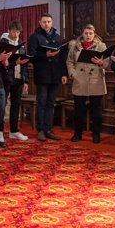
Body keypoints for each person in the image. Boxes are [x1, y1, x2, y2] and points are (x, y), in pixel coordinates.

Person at [27, 13, 68, 142]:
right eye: (44, 22)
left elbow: (62, 58)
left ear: (52, 22)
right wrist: (46, 55)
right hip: (42, 74)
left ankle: (48, 129)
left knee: (51, 103)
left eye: (49, 21)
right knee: (42, 103)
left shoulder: (57, 37)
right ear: (40, 22)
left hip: (55, 74)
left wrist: (64, 73)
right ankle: (40, 130)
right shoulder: (34, 37)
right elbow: (31, 56)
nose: (46, 24)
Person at [66, 24, 109, 144]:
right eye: (86, 33)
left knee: (96, 111)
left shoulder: (101, 46)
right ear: (82, 34)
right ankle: (77, 133)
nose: (88, 36)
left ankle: (96, 134)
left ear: (94, 34)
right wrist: (73, 74)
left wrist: (101, 63)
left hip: (95, 80)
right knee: (79, 110)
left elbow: (107, 61)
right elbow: (69, 61)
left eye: (90, 33)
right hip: (80, 80)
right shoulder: (74, 46)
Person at [0, 20, 30, 141]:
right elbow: (1, 62)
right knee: (1, 106)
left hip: (18, 79)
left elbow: (24, 64)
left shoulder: (21, 44)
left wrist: (26, 80)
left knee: (16, 105)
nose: (16, 34)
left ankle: (14, 130)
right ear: (9, 31)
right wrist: (14, 62)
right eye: (14, 31)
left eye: (18, 32)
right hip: (6, 78)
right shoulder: (3, 43)